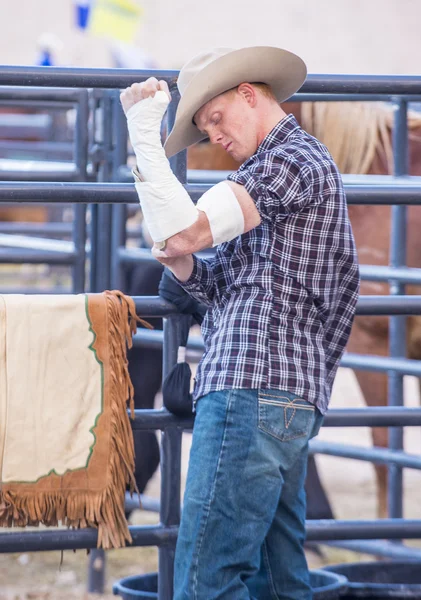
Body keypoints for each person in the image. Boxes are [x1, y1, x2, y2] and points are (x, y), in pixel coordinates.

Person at [120, 46, 360, 600]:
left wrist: (142, 137)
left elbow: (185, 233)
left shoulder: (288, 163)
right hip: (279, 396)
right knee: (278, 581)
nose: (214, 137)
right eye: (205, 129)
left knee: (208, 579)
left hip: (250, 388)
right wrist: (180, 264)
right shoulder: (276, 174)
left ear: (249, 94)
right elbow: (217, 283)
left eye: (217, 119)